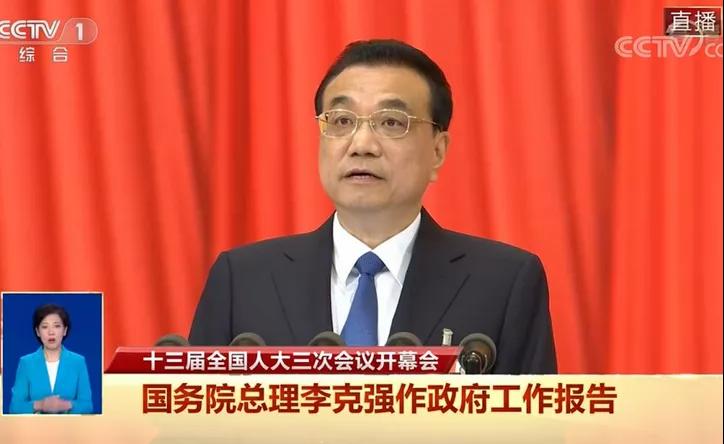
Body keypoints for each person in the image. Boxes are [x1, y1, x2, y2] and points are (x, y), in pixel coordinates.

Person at [189, 39, 557, 374]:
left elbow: (535, 418)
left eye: (391, 122)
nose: (361, 144)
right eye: (341, 121)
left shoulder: (503, 282)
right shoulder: (242, 280)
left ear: (437, 151)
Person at [9, 304, 93, 414]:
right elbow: (15, 407)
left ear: (65, 330)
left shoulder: (78, 362)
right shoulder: (26, 363)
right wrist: (41, 405)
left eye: (56, 326)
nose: (51, 332)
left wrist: (65, 405)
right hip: (36, 425)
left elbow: (87, 406)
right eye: (45, 327)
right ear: (38, 332)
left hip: (69, 424)